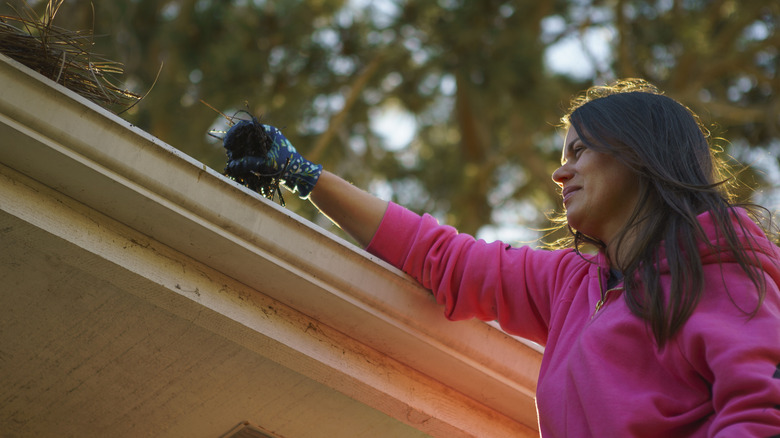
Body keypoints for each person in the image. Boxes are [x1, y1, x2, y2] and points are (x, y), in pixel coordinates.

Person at [225, 79, 780, 437]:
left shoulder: (721, 267)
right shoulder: (574, 284)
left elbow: (763, 416)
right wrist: (305, 177)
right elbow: (446, 259)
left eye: (579, 152)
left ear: (638, 154)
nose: (559, 173)